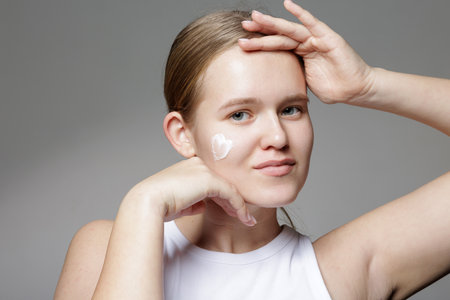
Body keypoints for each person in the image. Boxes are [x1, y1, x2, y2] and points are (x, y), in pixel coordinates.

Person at [54, 0, 450, 299]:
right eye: (241, 114)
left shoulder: (346, 268)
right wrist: (144, 203)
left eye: (291, 109)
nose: (277, 136)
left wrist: (368, 84)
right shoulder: (106, 246)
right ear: (182, 134)